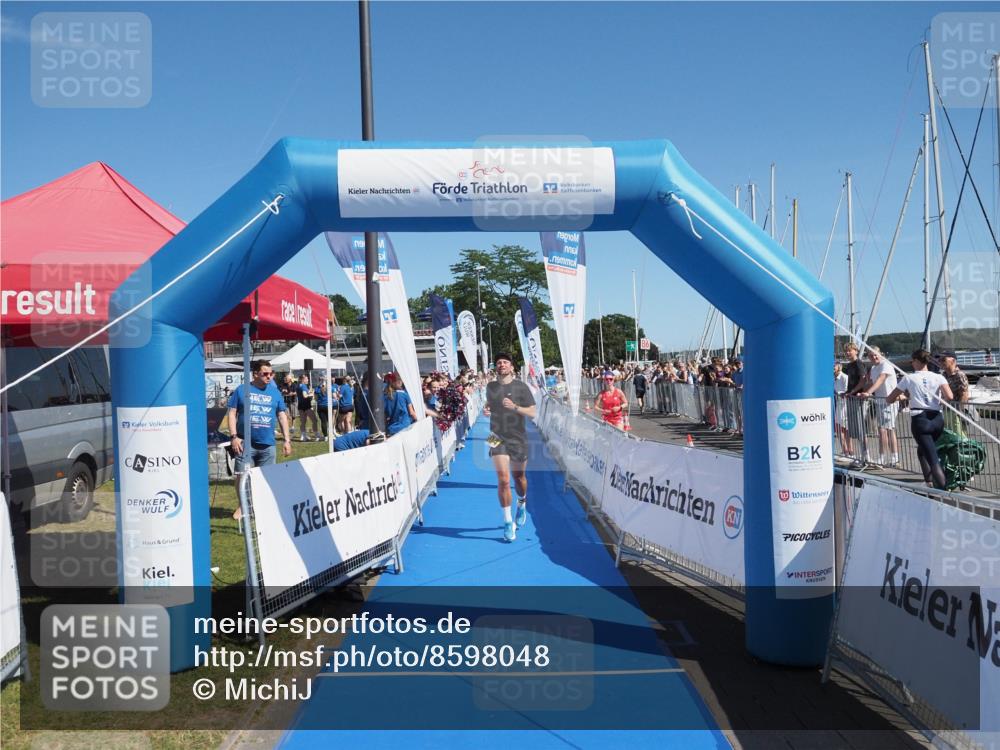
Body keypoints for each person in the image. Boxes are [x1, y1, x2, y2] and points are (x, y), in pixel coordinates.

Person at [227, 360, 291, 520]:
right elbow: (232, 413)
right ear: (255, 374)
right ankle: (243, 505)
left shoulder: (275, 392)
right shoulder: (242, 390)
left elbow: (282, 415)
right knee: (241, 476)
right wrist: (233, 437)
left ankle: (261, 507)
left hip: (267, 444)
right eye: (265, 374)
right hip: (244, 442)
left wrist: (287, 440)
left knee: (266, 478)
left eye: (271, 374)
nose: (269, 377)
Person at [484, 353, 537, 543]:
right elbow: (490, 404)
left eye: (505, 362)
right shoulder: (491, 387)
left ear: (511, 367)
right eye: (499, 362)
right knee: (503, 480)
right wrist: (486, 409)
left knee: (519, 477)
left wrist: (515, 407)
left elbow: (532, 412)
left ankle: (522, 502)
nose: (502, 365)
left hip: (517, 438)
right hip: (495, 437)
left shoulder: (521, 387)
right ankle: (507, 521)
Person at [886, 349, 954, 489]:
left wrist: (903, 397)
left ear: (917, 361)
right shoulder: (938, 377)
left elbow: (890, 398)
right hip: (937, 419)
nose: (912, 364)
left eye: (912, 361)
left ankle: (944, 491)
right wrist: (935, 401)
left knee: (933, 458)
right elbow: (949, 396)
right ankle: (928, 482)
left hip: (920, 420)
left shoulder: (909, 378)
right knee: (922, 450)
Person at [858, 346, 899, 467]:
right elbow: (871, 382)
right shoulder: (874, 368)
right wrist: (862, 392)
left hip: (889, 401)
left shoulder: (886, 365)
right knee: (888, 429)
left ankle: (883, 457)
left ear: (880, 353)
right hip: (880, 401)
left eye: (876, 354)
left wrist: (868, 393)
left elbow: (880, 380)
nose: (874, 357)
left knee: (884, 430)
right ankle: (894, 457)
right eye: (871, 355)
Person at [842, 342, 869, 467]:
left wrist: (853, 392)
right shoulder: (849, 365)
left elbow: (863, 380)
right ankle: (861, 456)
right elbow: (851, 382)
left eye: (850, 350)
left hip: (858, 399)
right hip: (851, 398)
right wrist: (847, 392)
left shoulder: (859, 363)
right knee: (855, 429)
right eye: (846, 351)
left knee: (860, 428)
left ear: (856, 351)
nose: (848, 353)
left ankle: (865, 456)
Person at [940, 351, 970, 437]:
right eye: (940, 360)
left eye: (943, 359)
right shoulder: (944, 375)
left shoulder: (959, 375)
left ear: (953, 361)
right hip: (946, 410)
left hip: (956, 411)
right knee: (950, 436)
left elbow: (964, 394)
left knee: (959, 436)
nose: (941, 362)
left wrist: (959, 411)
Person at [296, 374, 320, 441]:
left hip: (300, 406)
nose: (308, 380)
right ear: (302, 379)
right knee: (314, 420)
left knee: (303, 422)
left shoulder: (298, 386)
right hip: (306, 406)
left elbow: (302, 394)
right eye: (306, 379)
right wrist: (311, 394)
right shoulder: (303, 386)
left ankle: (303, 436)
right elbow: (305, 395)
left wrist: (309, 391)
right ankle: (316, 434)